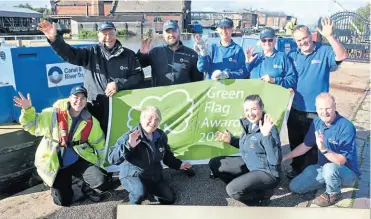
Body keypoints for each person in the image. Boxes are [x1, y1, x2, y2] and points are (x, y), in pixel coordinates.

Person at [38, 21, 144, 134]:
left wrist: (118, 84)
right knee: (95, 138)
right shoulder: (90, 53)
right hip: (94, 108)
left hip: (120, 108)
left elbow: (138, 76)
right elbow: (69, 53)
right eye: (104, 34)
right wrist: (54, 40)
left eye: (111, 33)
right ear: (98, 36)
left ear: (116, 34)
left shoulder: (129, 55)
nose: (108, 37)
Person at [14, 86, 109, 206]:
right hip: (56, 164)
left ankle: (81, 184)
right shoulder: (53, 114)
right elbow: (31, 125)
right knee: (63, 201)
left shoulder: (91, 121)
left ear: (86, 101)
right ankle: (55, 184)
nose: (79, 101)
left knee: (100, 180)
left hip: (78, 161)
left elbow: (99, 144)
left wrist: (103, 166)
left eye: (83, 98)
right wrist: (27, 110)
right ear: (69, 98)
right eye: (76, 97)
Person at [286, 17, 348, 179]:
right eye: (298, 40)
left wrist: (330, 36)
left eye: (305, 38)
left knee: (313, 146)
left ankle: (311, 175)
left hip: (316, 112)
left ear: (311, 36)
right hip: (295, 108)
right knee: (295, 141)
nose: (303, 42)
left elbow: (342, 55)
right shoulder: (292, 56)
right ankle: (296, 169)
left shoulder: (324, 51)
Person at [283, 93, 360, 207]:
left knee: (330, 168)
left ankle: (333, 193)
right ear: (316, 109)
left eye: (328, 108)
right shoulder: (317, 122)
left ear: (335, 107)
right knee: (295, 187)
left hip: (347, 172)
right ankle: (330, 181)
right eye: (321, 108)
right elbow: (305, 145)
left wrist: (323, 148)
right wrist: (285, 157)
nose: (325, 112)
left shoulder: (346, 127)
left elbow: (341, 161)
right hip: (323, 168)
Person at [108, 106, 193, 204]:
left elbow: (167, 155)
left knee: (169, 199)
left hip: (153, 174)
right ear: (141, 119)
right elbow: (112, 159)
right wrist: (129, 146)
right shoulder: (130, 136)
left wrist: (179, 165)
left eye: (157, 119)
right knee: (139, 193)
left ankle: (148, 191)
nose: (153, 122)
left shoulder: (161, 136)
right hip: (133, 174)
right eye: (150, 118)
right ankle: (135, 202)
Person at [209, 95, 282, 206]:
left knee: (232, 190)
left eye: (254, 109)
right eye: (247, 110)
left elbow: (275, 160)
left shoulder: (269, 128)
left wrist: (266, 135)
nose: (250, 113)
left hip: (267, 173)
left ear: (261, 108)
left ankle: (261, 197)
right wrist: (230, 140)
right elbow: (250, 146)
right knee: (214, 163)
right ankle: (246, 186)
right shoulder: (248, 124)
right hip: (250, 164)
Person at [137, 20, 203, 87]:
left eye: (174, 31)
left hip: (183, 95)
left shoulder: (192, 54)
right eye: (168, 32)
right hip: (161, 95)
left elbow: (198, 81)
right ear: (163, 34)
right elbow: (140, 65)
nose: (171, 35)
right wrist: (141, 54)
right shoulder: (155, 52)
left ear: (179, 32)